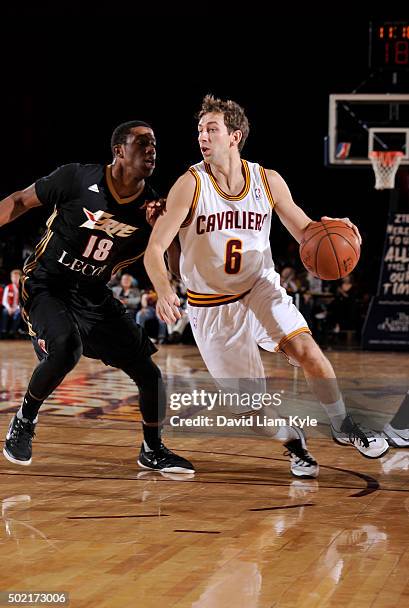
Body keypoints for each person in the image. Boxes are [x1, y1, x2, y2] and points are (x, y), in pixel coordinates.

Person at [144, 95, 388, 478]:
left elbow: (306, 230)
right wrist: (163, 288)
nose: (202, 137)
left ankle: (344, 425)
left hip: (260, 286)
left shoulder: (267, 180)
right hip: (211, 306)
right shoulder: (189, 186)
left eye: (212, 130)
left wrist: (335, 227)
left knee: (307, 349)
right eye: (199, 131)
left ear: (234, 136)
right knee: (252, 409)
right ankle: (293, 441)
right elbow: (154, 249)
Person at [0, 120, 194, 474]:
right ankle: (24, 420)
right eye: (143, 143)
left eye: (155, 145)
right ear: (119, 150)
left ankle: (152, 449)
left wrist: (173, 229)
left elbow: (177, 269)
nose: (152, 150)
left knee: (149, 374)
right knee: (66, 347)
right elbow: (18, 201)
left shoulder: (152, 208)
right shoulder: (76, 178)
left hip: (91, 293)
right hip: (47, 283)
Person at [1, 269, 23, 338]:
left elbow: (22, 301)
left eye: (17, 277)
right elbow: (4, 301)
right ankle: (3, 331)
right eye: (14, 277)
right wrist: (9, 308)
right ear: (11, 278)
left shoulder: (22, 288)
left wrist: (16, 309)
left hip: (18, 308)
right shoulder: (8, 287)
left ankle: (13, 331)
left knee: (19, 313)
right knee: (4, 312)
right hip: (9, 308)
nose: (15, 279)